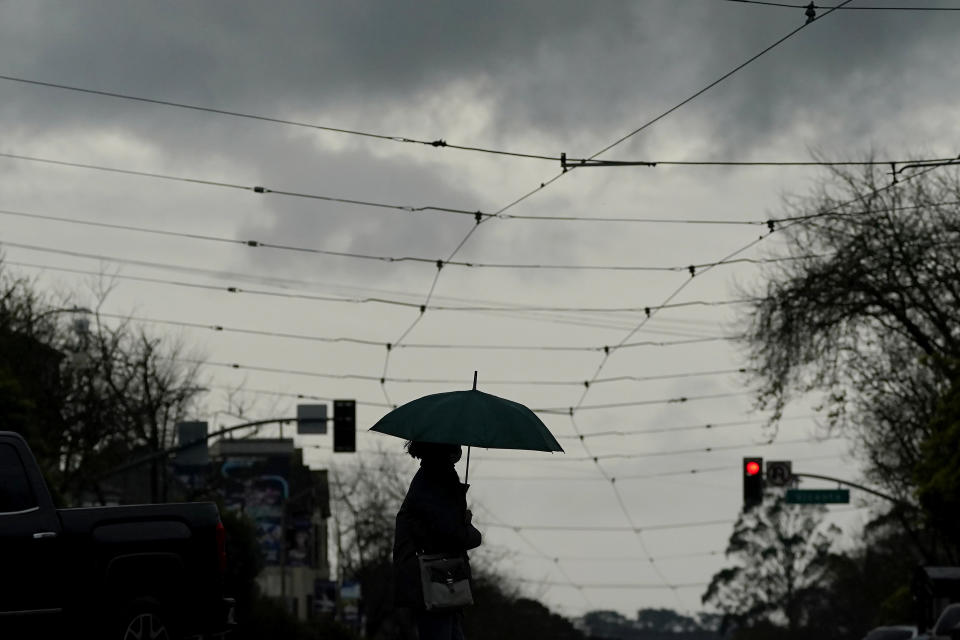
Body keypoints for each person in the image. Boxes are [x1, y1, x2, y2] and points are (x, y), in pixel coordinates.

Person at [394, 441, 482, 640]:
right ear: (446, 450)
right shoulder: (437, 480)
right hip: (434, 581)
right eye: (456, 444)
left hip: (436, 580)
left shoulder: (430, 477)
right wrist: (470, 531)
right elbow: (450, 534)